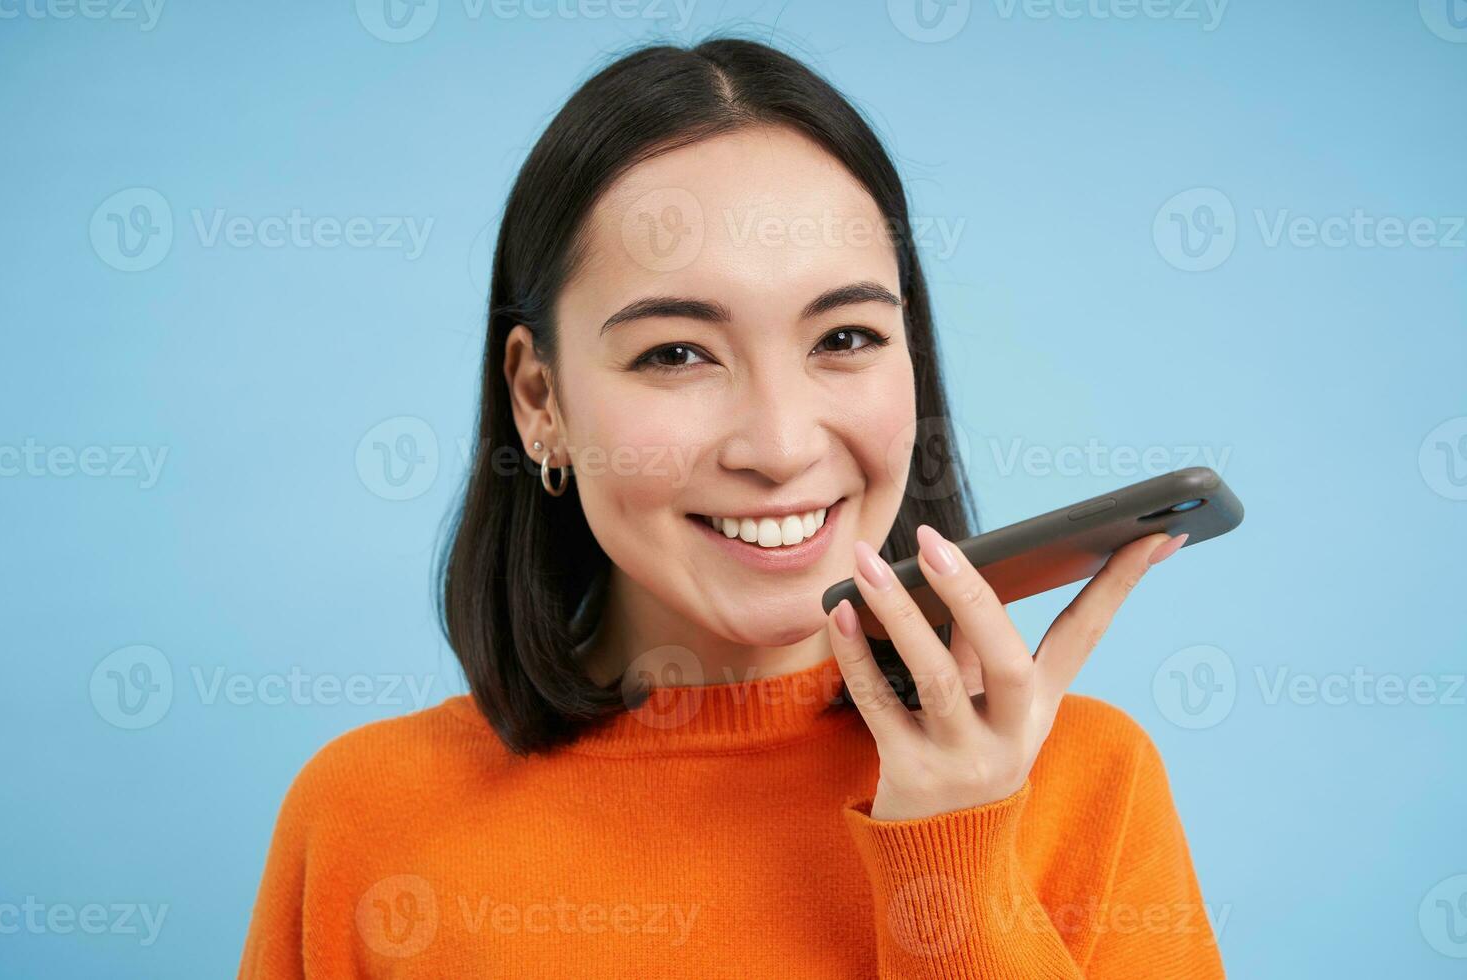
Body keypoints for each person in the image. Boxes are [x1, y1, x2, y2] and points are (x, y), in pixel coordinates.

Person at [238, 36, 1226, 978]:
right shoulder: (368, 816)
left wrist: (954, 854)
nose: (782, 443)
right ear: (540, 401)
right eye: (676, 352)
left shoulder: (1087, 784)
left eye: (844, 337)